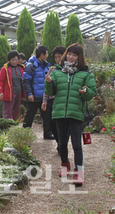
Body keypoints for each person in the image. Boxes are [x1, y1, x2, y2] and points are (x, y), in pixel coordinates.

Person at [44, 43, 97, 186]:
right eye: (69, 54)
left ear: (79, 57)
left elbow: (92, 92)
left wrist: (86, 92)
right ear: (65, 54)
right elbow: (50, 92)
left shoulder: (86, 74)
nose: (71, 57)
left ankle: (78, 172)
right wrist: (48, 83)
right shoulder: (57, 72)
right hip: (60, 113)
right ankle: (65, 164)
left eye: (75, 55)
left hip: (76, 113)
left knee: (76, 144)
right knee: (62, 143)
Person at [23, 45, 54, 140]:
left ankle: (48, 134)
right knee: (29, 116)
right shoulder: (30, 65)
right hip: (34, 97)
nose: (47, 56)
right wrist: (29, 94)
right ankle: (24, 134)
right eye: (46, 54)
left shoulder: (45, 65)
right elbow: (26, 81)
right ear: (42, 54)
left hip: (43, 97)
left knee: (47, 116)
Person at [41, 46, 66, 152]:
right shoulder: (52, 69)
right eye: (55, 57)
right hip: (52, 100)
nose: (57, 60)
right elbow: (47, 86)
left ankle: (62, 145)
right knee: (52, 124)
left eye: (59, 57)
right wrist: (45, 101)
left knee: (62, 125)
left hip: (62, 100)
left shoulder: (69, 70)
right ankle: (59, 142)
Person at [0, 50, 25, 120]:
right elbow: (1, 81)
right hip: (9, 93)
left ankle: (13, 124)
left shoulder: (21, 68)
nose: (14, 62)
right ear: (9, 60)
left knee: (16, 110)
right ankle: (7, 125)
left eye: (16, 60)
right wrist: (1, 91)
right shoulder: (4, 69)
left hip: (19, 92)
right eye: (13, 60)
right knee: (8, 111)